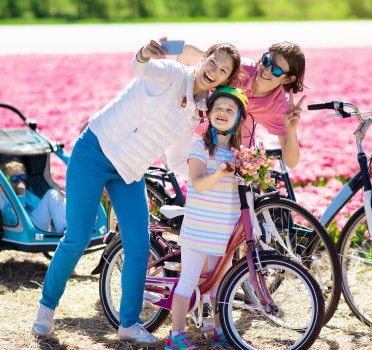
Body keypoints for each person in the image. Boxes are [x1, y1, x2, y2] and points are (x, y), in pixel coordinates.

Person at [31, 39, 241, 343]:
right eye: (212, 62)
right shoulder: (172, 72)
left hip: (129, 171)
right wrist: (144, 52)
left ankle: (128, 324)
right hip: (95, 151)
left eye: (222, 71)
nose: (214, 71)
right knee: (76, 238)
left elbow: (176, 159)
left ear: (223, 80)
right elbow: (140, 66)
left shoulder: (196, 112)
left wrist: (216, 172)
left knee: (139, 245)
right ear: (203, 58)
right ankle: (45, 312)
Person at [165, 86, 247, 350]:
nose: (223, 113)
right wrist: (221, 172)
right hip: (199, 230)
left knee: (221, 285)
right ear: (209, 114)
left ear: (238, 118)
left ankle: (220, 331)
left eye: (230, 110)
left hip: (224, 232)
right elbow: (199, 183)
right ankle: (176, 335)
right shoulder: (200, 146)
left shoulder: (239, 153)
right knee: (188, 281)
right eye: (218, 109)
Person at [179, 41, 306, 168]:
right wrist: (178, 92)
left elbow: (291, 162)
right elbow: (189, 52)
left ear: (288, 79)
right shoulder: (241, 68)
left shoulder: (279, 106)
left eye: (276, 70)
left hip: (237, 154)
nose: (266, 69)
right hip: (196, 134)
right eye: (266, 60)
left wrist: (291, 129)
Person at [0, 160, 66, 232]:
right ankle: (65, 232)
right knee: (51, 193)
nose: (20, 181)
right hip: (27, 229)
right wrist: (21, 197)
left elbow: (38, 206)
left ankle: (66, 230)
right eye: (14, 178)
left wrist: (59, 201)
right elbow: (11, 220)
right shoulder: (2, 196)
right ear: (6, 180)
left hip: (37, 224)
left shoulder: (26, 191)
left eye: (22, 177)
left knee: (61, 198)